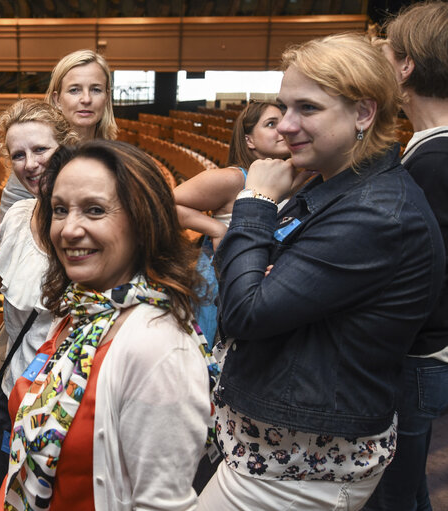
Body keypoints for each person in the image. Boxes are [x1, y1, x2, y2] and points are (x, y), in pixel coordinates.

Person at [198, 33, 444, 510]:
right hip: (277, 454)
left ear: (363, 114)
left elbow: (244, 310)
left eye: (307, 109)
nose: (287, 126)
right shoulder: (339, 189)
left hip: (302, 467)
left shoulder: (375, 213)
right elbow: (251, 284)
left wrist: (256, 202)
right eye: (284, 108)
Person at [0, 140, 218, 510]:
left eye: (94, 210)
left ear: (142, 219)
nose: (68, 229)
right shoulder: (81, 310)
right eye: (60, 210)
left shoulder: (158, 348)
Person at [363, 3, 448, 510]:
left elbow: (420, 276)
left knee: (389, 495)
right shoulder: (429, 147)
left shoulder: (435, 158)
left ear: (406, 66)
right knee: (407, 487)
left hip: (417, 355)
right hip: (425, 351)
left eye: (386, 54)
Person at [0, 98, 77, 486]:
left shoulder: (92, 227)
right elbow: (0, 274)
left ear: (65, 147)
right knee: (8, 487)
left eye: (41, 150)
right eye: (18, 154)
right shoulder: (17, 215)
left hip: (66, 401)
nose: (30, 164)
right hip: (15, 389)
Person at [173, 101, 289, 344]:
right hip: (221, 282)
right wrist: (215, 228)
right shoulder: (233, 178)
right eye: (271, 124)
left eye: (284, 122)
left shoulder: (297, 178)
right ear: (249, 141)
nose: (283, 129)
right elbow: (162, 204)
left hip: (263, 290)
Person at [0, 49, 117, 221]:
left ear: (106, 97)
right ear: (57, 100)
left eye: (96, 90)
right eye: (75, 90)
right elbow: (9, 233)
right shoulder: (34, 161)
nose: (86, 99)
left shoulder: (113, 157)